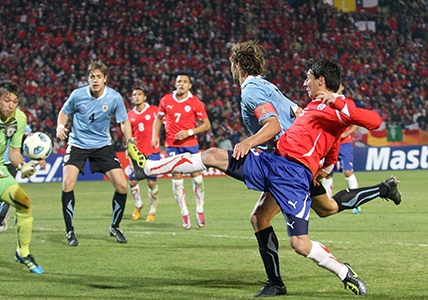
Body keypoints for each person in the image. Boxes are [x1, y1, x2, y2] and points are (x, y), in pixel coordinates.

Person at [129, 57, 399, 296]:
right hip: (273, 161)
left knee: (302, 241)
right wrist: (326, 165)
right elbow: (330, 137)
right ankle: (149, 168)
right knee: (225, 171)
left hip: (293, 175)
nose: (304, 83)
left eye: (308, 78)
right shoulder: (314, 105)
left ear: (321, 79)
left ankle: (345, 271)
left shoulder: (338, 106)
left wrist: (337, 106)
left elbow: (374, 121)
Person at [56, 61, 132, 246]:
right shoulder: (77, 95)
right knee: (67, 183)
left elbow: (124, 121)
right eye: (92, 76)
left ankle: (115, 226)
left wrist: (129, 142)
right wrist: (60, 125)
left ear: (105, 78)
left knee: (122, 186)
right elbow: (63, 113)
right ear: (87, 78)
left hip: (102, 146)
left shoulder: (114, 97)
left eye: (99, 76)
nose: (95, 80)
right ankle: (70, 231)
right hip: (78, 144)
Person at [0, 80, 43, 273]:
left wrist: (22, 166)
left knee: (25, 203)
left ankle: (23, 253)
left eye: (15, 101)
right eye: (7, 101)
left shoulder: (19, 119)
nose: (11, 105)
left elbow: (14, 152)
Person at [152, 72, 211, 230]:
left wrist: (189, 132)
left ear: (189, 85)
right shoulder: (166, 100)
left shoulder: (194, 102)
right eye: (179, 81)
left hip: (190, 144)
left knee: (196, 177)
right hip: (172, 145)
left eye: (185, 81)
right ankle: (184, 213)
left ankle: (199, 209)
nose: (181, 84)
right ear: (175, 83)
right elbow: (158, 119)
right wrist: (154, 136)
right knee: (177, 178)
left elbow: (206, 124)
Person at [128, 88, 160, 222]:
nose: (136, 97)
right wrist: (129, 153)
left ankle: (153, 209)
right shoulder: (129, 115)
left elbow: (163, 123)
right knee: (133, 181)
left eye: (139, 94)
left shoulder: (154, 110)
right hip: (137, 154)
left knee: (151, 183)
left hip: (152, 152)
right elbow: (128, 137)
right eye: (134, 94)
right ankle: (138, 204)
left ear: (145, 97)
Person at [323, 124, 361, 212]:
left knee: (347, 172)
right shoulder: (327, 110)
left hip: (345, 144)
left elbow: (356, 123)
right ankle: (326, 203)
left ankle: (356, 201)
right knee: (327, 173)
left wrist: (346, 133)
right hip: (329, 143)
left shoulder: (345, 110)